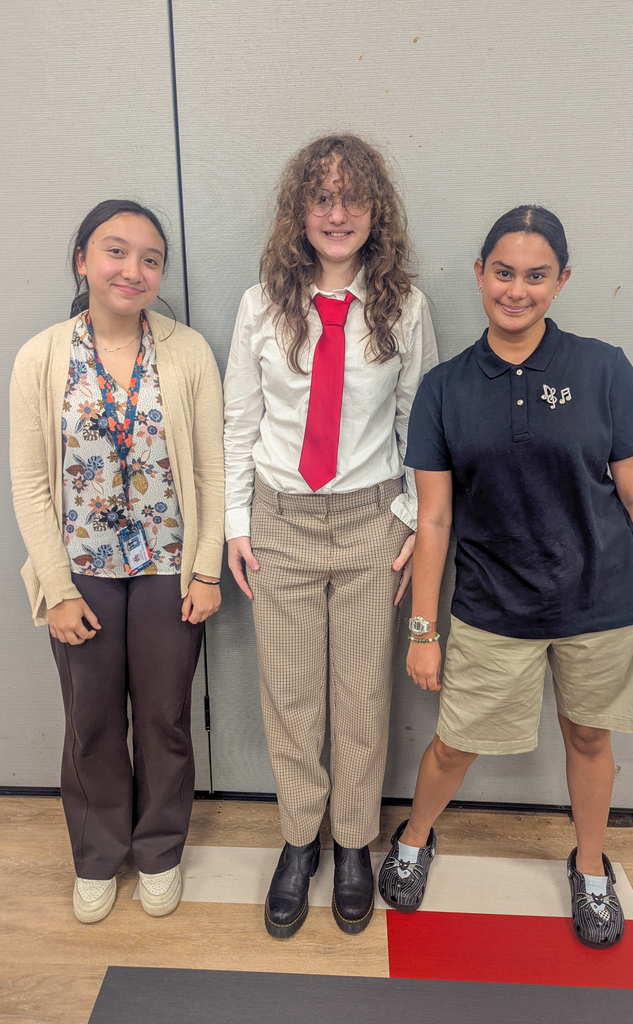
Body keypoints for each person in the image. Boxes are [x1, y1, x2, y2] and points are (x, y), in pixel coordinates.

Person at [377, 205, 633, 949]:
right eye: (503, 273)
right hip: (491, 607)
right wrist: (424, 630)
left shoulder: (601, 367)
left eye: (536, 276)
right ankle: (414, 839)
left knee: (587, 737)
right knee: (455, 743)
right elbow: (435, 521)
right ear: (480, 275)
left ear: (561, 281)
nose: (517, 290)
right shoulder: (445, 389)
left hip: (599, 603)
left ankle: (588, 868)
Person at [223, 134, 438, 938]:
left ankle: (352, 843)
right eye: (321, 197)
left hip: (366, 521)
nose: (336, 212)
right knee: (289, 696)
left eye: (351, 197)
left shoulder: (404, 305)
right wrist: (237, 526)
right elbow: (238, 423)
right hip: (279, 522)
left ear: (374, 210)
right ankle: (298, 841)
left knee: (360, 696)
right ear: (299, 212)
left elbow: (422, 419)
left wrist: (413, 518)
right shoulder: (260, 305)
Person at [10, 199, 224, 923]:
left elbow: (214, 472)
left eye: (150, 258)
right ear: (82, 260)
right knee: (93, 721)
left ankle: (160, 850)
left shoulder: (187, 352)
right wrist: (56, 587)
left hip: (169, 568)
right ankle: (99, 856)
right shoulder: (41, 357)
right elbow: (31, 484)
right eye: (115, 251)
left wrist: (204, 569)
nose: (133, 269)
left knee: (164, 718)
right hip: (81, 574)